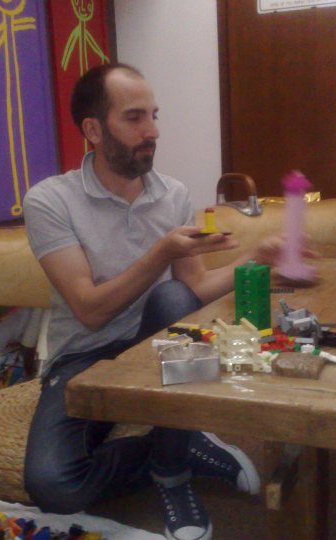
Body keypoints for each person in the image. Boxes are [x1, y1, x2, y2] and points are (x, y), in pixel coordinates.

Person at [22, 63, 285, 540]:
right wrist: (161, 249)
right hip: (82, 355)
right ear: (93, 130)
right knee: (52, 484)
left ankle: (172, 471)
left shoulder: (174, 195)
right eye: (136, 118)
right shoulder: (49, 201)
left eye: (154, 116)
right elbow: (89, 309)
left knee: (172, 297)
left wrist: (257, 261)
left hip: (156, 343)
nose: (153, 131)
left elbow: (194, 290)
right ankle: (182, 442)